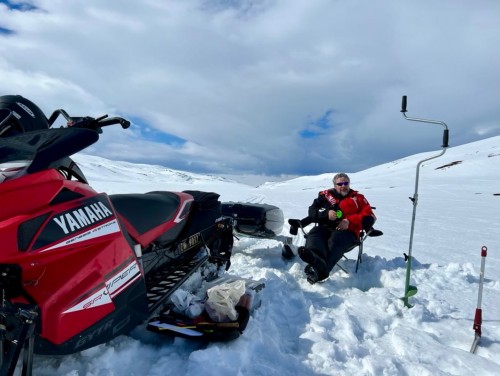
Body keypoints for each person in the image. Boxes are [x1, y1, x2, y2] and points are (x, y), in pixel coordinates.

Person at [298, 172, 380, 284]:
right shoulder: (325, 196)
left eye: (346, 183)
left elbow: (369, 216)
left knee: (336, 238)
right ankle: (315, 257)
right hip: (325, 228)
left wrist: (349, 220)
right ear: (334, 185)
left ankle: (321, 271)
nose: (343, 186)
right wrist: (326, 214)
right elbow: (312, 212)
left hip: (348, 232)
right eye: (340, 184)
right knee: (315, 233)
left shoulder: (358, 198)